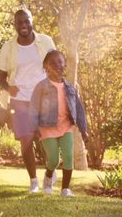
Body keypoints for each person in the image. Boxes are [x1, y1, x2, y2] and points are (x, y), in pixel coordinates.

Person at [0, 8, 56, 193]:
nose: (23, 25)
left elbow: (57, 66)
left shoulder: (45, 41)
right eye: (19, 22)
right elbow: (1, 77)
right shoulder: (8, 47)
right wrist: (9, 88)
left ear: (32, 21)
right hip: (20, 99)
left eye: (26, 21)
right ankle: (33, 182)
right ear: (14, 24)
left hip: (43, 98)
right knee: (26, 140)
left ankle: (50, 172)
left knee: (48, 138)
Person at [29, 50, 89, 197]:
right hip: (47, 127)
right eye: (53, 63)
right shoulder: (41, 86)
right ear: (46, 66)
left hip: (65, 126)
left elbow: (79, 109)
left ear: (65, 65)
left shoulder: (69, 88)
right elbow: (34, 107)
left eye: (60, 62)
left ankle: (65, 189)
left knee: (69, 156)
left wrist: (83, 129)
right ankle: (49, 175)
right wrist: (34, 128)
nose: (58, 65)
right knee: (54, 159)